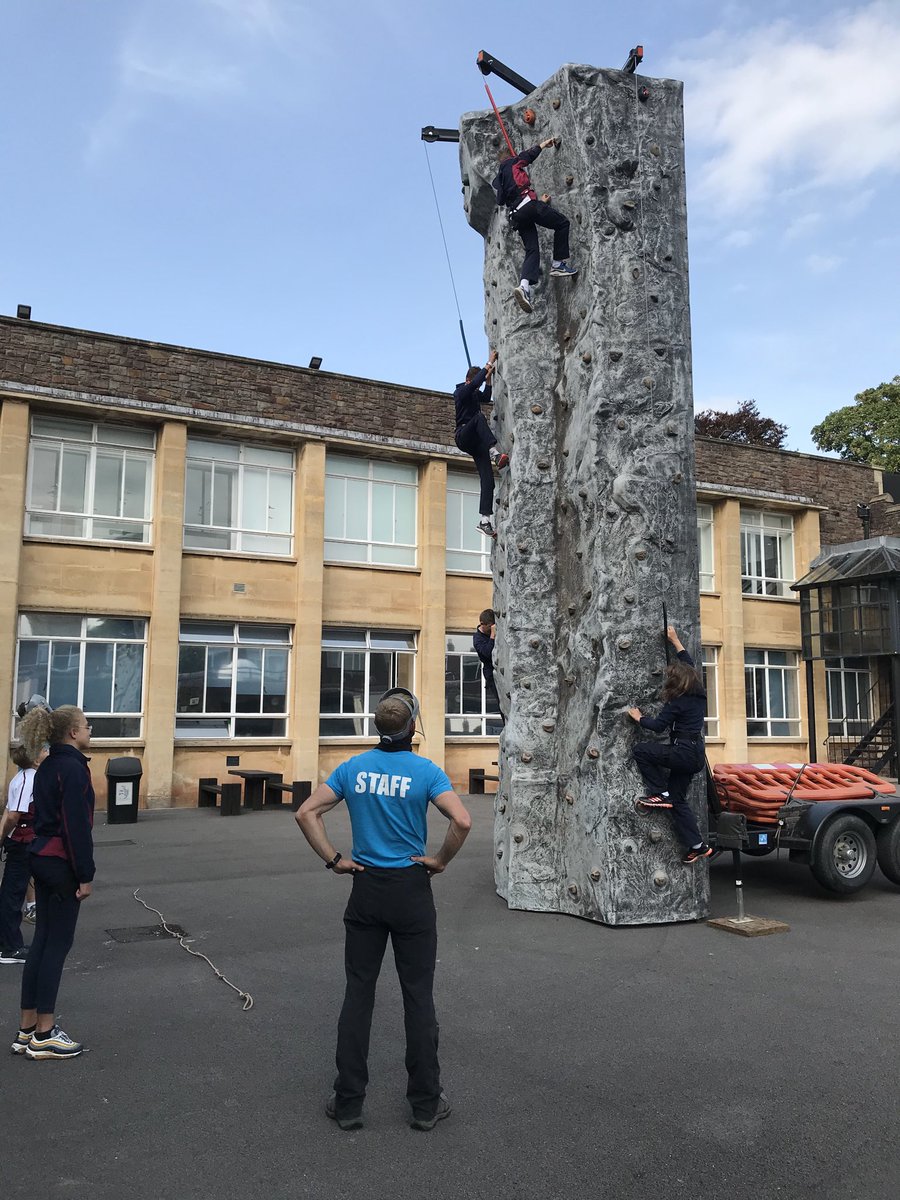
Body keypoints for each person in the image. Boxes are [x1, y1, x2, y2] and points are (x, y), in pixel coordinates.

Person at [296, 688, 472, 1132]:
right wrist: (440, 860)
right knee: (418, 996)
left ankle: (349, 1102)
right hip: (411, 889)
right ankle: (426, 1104)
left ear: (378, 726)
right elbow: (462, 821)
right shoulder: (426, 770)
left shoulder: (353, 767)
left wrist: (335, 859)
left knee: (359, 993)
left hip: (367, 887)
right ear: (412, 726)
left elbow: (306, 813)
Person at [10, 705, 95, 1059]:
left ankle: (27, 1028)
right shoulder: (72, 769)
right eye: (87, 726)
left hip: (40, 858)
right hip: (60, 863)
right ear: (73, 732)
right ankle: (45, 1034)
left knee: (42, 942)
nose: (90, 730)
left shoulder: (45, 766)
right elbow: (76, 826)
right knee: (56, 946)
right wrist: (85, 875)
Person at [627, 626, 712, 865]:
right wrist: (675, 641)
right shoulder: (699, 694)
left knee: (641, 751)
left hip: (682, 752)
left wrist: (638, 717)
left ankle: (658, 792)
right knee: (677, 801)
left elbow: (657, 726)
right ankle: (697, 846)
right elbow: (688, 662)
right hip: (696, 755)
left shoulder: (677, 703)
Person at [492, 138, 578, 314]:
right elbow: (527, 156)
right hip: (528, 205)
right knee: (562, 224)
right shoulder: (513, 162)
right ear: (511, 156)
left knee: (532, 250)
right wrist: (543, 145)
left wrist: (540, 203)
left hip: (516, 215)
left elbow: (501, 200)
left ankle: (524, 286)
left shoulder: (500, 178)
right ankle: (558, 263)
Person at [453, 349, 509, 538]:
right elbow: (474, 386)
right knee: (478, 418)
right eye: (474, 384)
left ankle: (484, 521)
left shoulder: (474, 392)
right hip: (463, 435)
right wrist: (489, 363)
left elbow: (486, 396)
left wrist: (489, 379)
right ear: (469, 380)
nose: (476, 389)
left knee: (488, 480)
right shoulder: (460, 391)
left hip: (476, 442)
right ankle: (494, 453)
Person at [0, 744, 46, 965]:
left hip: (20, 841)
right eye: (44, 750)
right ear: (36, 759)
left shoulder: (20, 778)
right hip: (22, 842)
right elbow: (13, 815)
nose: (47, 752)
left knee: (12, 892)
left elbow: (8, 811)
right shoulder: (29, 779)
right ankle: (9, 947)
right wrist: (4, 838)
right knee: (13, 893)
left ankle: (8, 943)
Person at [473, 609, 503, 727]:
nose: (491, 629)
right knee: (501, 701)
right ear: (482, 624)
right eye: (489, 627)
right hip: (491, 672)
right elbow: (487, 653)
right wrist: (492, 636)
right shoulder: (478, 638)